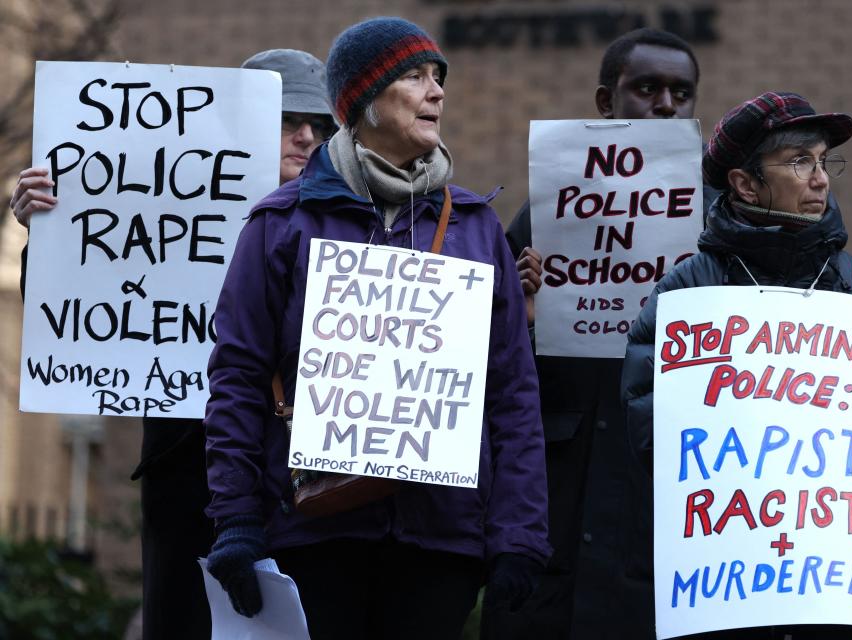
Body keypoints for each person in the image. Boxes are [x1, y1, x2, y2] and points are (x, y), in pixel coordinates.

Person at [202, 17, 551, 640]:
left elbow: (512, 393)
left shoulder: (476, 228)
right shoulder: (282, 225)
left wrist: (519, 535)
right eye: (415, 77)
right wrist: (236, 520)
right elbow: (237, 377)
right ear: (363, 102)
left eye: (438, 77)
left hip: (441, 541)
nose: (436, 92)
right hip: (314, 532)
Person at [9, 48, 337, 640]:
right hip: (188, 469)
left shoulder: (350, 221)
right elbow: (75, 319)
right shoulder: (163, 203)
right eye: (287, 120)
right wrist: (52, 234)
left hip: (303, 481)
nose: (307, 136)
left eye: (321, 125)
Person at [620, 91, 852, 639]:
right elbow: (647, 405)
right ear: (746, 183)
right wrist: (743, 490)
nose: (821, 179)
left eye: (824, 162)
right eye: (800, 162)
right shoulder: (689, 290)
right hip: (731, 571)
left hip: (841, 567)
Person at [485, 28, 713, 639]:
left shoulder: (718, 226)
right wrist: (523, 318)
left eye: (681, 92)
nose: (665, 104)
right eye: (646, 88)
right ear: (606, 103)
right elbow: (491, 374)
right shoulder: (542, 218)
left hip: (657, 524)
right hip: (554, 518)